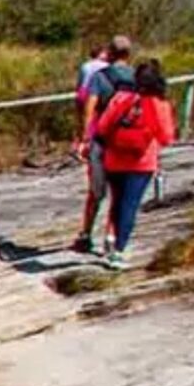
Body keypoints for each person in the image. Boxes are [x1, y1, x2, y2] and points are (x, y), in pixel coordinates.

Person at [95, 61, 176, 270]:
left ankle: (110, 239)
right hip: (142, 162)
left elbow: (102, 128)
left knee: (118, 202)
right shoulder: (159, 105)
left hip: (114, 160)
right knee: (130, 206)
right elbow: (167, 138)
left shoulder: (121, 99)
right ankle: (118, 251)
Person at [73, 35, 135, 255]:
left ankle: (86, 233)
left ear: (110, 52)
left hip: (102, 140)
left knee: (96, 192)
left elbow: (90, 108)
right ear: (129, 54)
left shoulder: (100, 77)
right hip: (126, 142)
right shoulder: (139, 78)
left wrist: (84, 139)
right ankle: (110, 237)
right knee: (119, 192)